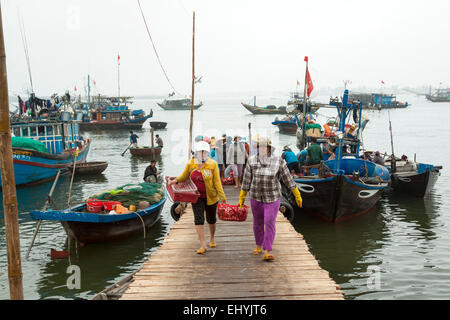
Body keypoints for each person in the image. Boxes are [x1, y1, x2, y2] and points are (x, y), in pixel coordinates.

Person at [239, 136, 302, 261]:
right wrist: (242, 196)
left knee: (269, 222)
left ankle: (267, 250)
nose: (262, 149)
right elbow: (246, 180)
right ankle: (258, 246)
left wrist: (296, 193)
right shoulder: (251, 160)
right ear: (257, 148)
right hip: (256, 197)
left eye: (265, 147)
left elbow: (287, 179)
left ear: (269, 148)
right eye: (260, 147)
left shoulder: (279, 161)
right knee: (257, 223)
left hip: (272, 198)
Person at [168, 141, 227, 254]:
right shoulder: (191, 164)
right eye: (200, 152)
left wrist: (222, 196)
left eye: (204, 152)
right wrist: (174, 181)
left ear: (207, 153)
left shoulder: (212, 164)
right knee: (199, 219)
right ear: (196, 153)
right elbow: (184, 175)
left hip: (211, 197)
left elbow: (217, 182)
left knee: (211, 219)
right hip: (196, 197)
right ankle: (203, 245)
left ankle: (212, 238)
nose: (202, 154)